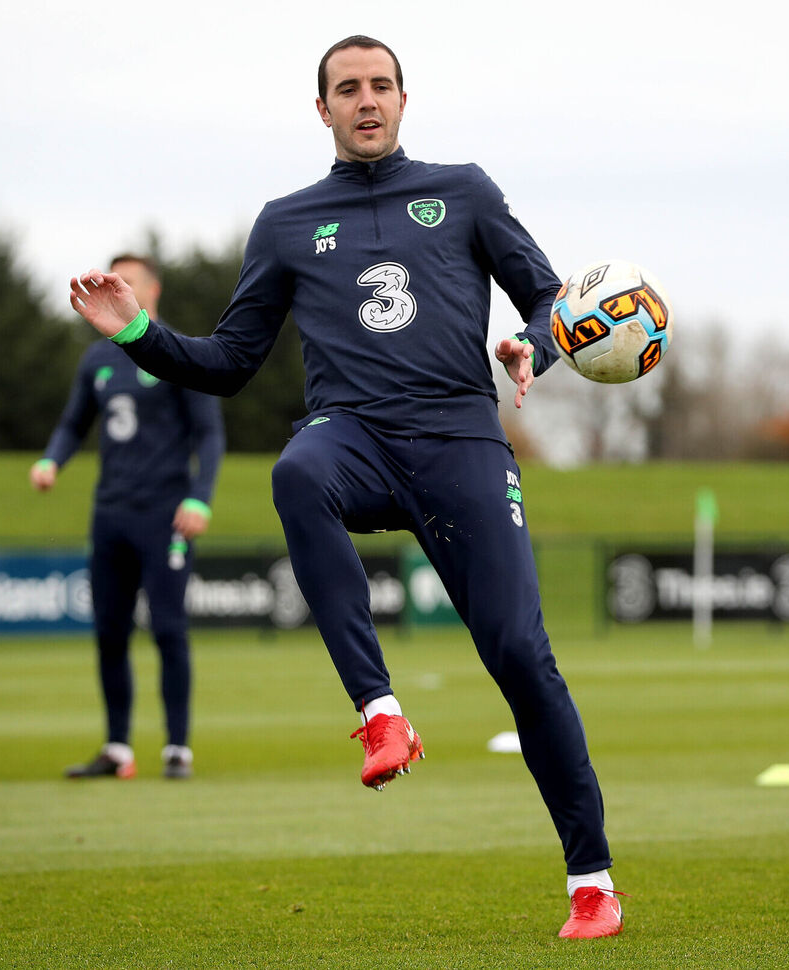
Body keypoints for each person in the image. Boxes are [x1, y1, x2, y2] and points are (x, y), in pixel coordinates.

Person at [67, 37, 621, 938]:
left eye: (379, 86)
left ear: (405, 99)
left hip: (459, 439)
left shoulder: (467, 190)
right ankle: (381, 713)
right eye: (346, 90)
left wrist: (537, 344)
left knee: (522, 657)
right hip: (353, 434)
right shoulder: (286, 222)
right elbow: (228, 363)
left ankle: (591, 880)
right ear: (321, 110)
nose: (366, 101)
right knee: (297, 470)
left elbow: (548, 298)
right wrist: (137, 335)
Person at [33, 253, 225, 781]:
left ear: (152, 290)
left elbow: (209, 434)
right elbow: (74, 423)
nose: (118, 286)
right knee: (110, 634)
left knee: (167, 630)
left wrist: (200, 497)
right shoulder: (97, 358)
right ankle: (117, 749)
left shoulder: (177, 354)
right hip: (110, 514)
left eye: (130, 280)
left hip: (165, 515)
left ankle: (177, 748)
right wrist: (52, 460)